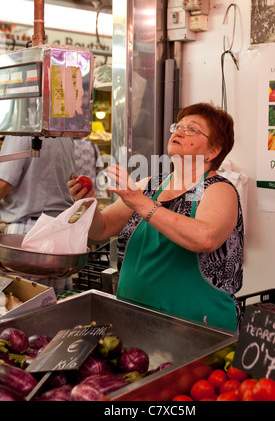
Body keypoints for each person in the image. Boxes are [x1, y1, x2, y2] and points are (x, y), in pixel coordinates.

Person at [68, 103, 244, 332]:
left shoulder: (219, 189)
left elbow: (205, 238)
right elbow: (100, 230)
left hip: (198, 328)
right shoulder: (149, 185)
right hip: (135, 321)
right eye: (178, 126)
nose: (179, 132)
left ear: (213, 151)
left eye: (192, 129)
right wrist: (86, 202)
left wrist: (140, 202)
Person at [0, 135, 76, 294]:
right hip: (60, 235)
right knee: (55, 308)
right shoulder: (65, 135)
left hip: (27, 235)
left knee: (21, 309)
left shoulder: (20, 133)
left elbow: (4, 183)